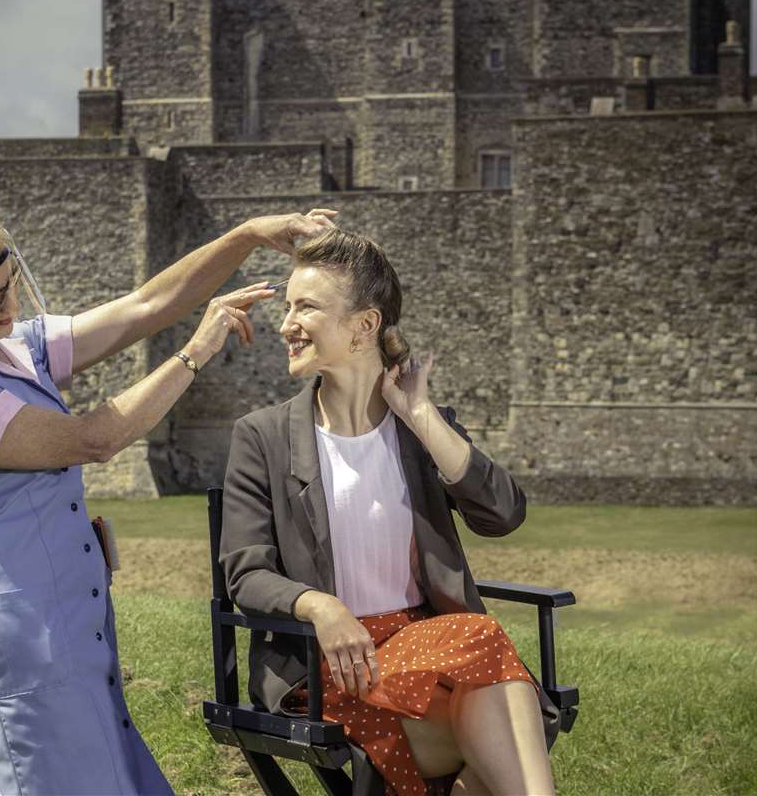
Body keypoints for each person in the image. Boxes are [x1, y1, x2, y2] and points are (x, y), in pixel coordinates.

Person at [0, 189, 336, 795]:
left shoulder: (8, 344)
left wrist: (249, 234)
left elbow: (147, 304)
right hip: (22, 625)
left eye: (11, 286)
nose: (7, 310)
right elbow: (92, 440)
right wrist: (196, 350)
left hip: (70, 611)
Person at [220, 228, 559, 796]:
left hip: (431, 655)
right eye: (287, 307)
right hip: (326, 664)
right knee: (495, 682)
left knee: (486, 688)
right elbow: (245, 571)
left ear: (364, 326)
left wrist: (422, 416)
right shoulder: (264, 437)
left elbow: (502, 514)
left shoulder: (420, 428)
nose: (286, 324)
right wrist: (320, 606)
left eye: (306, 307)